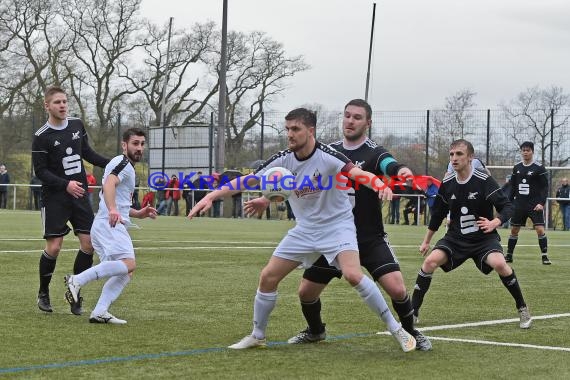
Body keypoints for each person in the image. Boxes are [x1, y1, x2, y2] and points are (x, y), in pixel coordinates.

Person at [189, 108, 416, 352]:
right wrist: (212, 196)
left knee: (353, 275)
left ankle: (397, 330)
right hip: (305, 230)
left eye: (295, 129)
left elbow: (358, 174)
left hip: (337, 227)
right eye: (287, 129)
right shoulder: (283, 159)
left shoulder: (329, 155)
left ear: (310, 130)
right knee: (268, 277)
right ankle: (257, 335)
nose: (290, 134)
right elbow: (249, 180)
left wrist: (379, 183)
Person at [285, 99, 431, 350]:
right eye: (347, 116)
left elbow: (389, 164)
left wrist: (402, 170)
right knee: (306, 292)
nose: (350, 121)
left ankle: (411, 333)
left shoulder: (374, 152)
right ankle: (316, 331)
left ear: (368, 123)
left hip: (368, 237)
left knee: (396, 288)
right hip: (332, 236)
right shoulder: (327, 151)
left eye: (357, 117)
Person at [411, 139, 532, 329]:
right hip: (455, 238)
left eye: (459, 154)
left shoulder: (483, 180)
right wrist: (426, 241)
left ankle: (522, 308)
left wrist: (495, 222)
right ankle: (413, 311)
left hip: (483, 238)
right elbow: (438, 214)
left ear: (470, 157)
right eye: (451, 154)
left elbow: (507, 206)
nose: (454, 158)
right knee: (429, 262)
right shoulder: (448, 183)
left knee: (500, 263)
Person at [65, 128, 157, 324]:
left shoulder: (126, 166)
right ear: (124, 145)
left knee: (126, 271)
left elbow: (119, 201)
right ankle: (77, 280)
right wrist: (113, 209)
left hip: (106, 222)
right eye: (135, 143)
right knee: (129, 264)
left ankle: (99, 311)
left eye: (142, 144)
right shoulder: (122, 163)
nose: (139, 147)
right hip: (109, 223)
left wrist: (138, 213)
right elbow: (108, 185)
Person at [32, 85, 110, 314]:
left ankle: (75, 291)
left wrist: (114, 162)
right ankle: (43, 292)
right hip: (55, 197)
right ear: (47, 106)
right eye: (57, 102)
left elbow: (88, 154)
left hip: (79, 196)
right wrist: (65, 184)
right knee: (54, 247)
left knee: (89, 244)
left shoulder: (76, 125)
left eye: (65, 101)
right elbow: (41, 172)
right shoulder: (41, 136)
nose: (62, 105)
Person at [505, 141, 551, 265]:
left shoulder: (539, 168)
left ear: (532, 152)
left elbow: (545, 188)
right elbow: (513, 187)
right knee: (514, 230)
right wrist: (509, 202)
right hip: (519, 204)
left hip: (534, 204)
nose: (525, 152)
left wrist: (541, 203)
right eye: (523, 150)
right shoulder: (517, 167)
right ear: (521, 152)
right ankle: (509, 255)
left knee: (540, 230)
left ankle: (544, 257)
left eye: (528, 150)